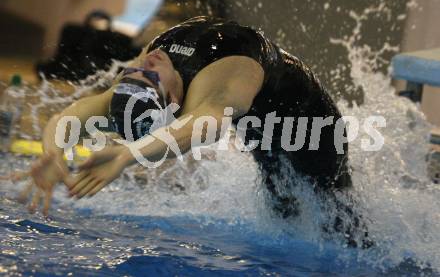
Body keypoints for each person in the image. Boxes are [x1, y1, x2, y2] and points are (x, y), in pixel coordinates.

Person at [7, 16, 360, 244]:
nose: (145, 64)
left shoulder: (203, 80)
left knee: (336, 219)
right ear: (174, 99)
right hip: (262, 117)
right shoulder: (198, 90)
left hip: (313, 125)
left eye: (136, 76)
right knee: (283, 216)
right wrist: (54, 153)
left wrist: (66, 152)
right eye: (146, 77)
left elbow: (75, 114)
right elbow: (202, 126)